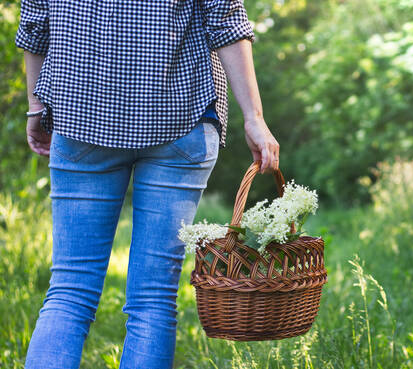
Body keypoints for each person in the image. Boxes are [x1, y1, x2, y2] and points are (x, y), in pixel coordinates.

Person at [15, 0, 279, 367]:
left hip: (81, 115)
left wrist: (35, 107)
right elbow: (226, 18)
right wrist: (254, 118)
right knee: (153, 298)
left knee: (69, 292)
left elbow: (35, 24)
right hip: (181, 114)